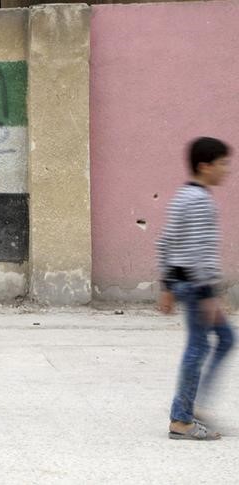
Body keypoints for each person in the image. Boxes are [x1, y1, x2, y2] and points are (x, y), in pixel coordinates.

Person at [157, 136, 234, 441]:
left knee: (226, 339)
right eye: (223, 164)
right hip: (197, 286)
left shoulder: (182, 197)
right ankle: (182, 419)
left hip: (184, 282)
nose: (227, 170)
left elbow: (165, 242)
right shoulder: (200, 201)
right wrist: (210, 295)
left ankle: (193, 406)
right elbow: (201, 253)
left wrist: (166, 286)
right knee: (199, 347)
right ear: (205, 166)